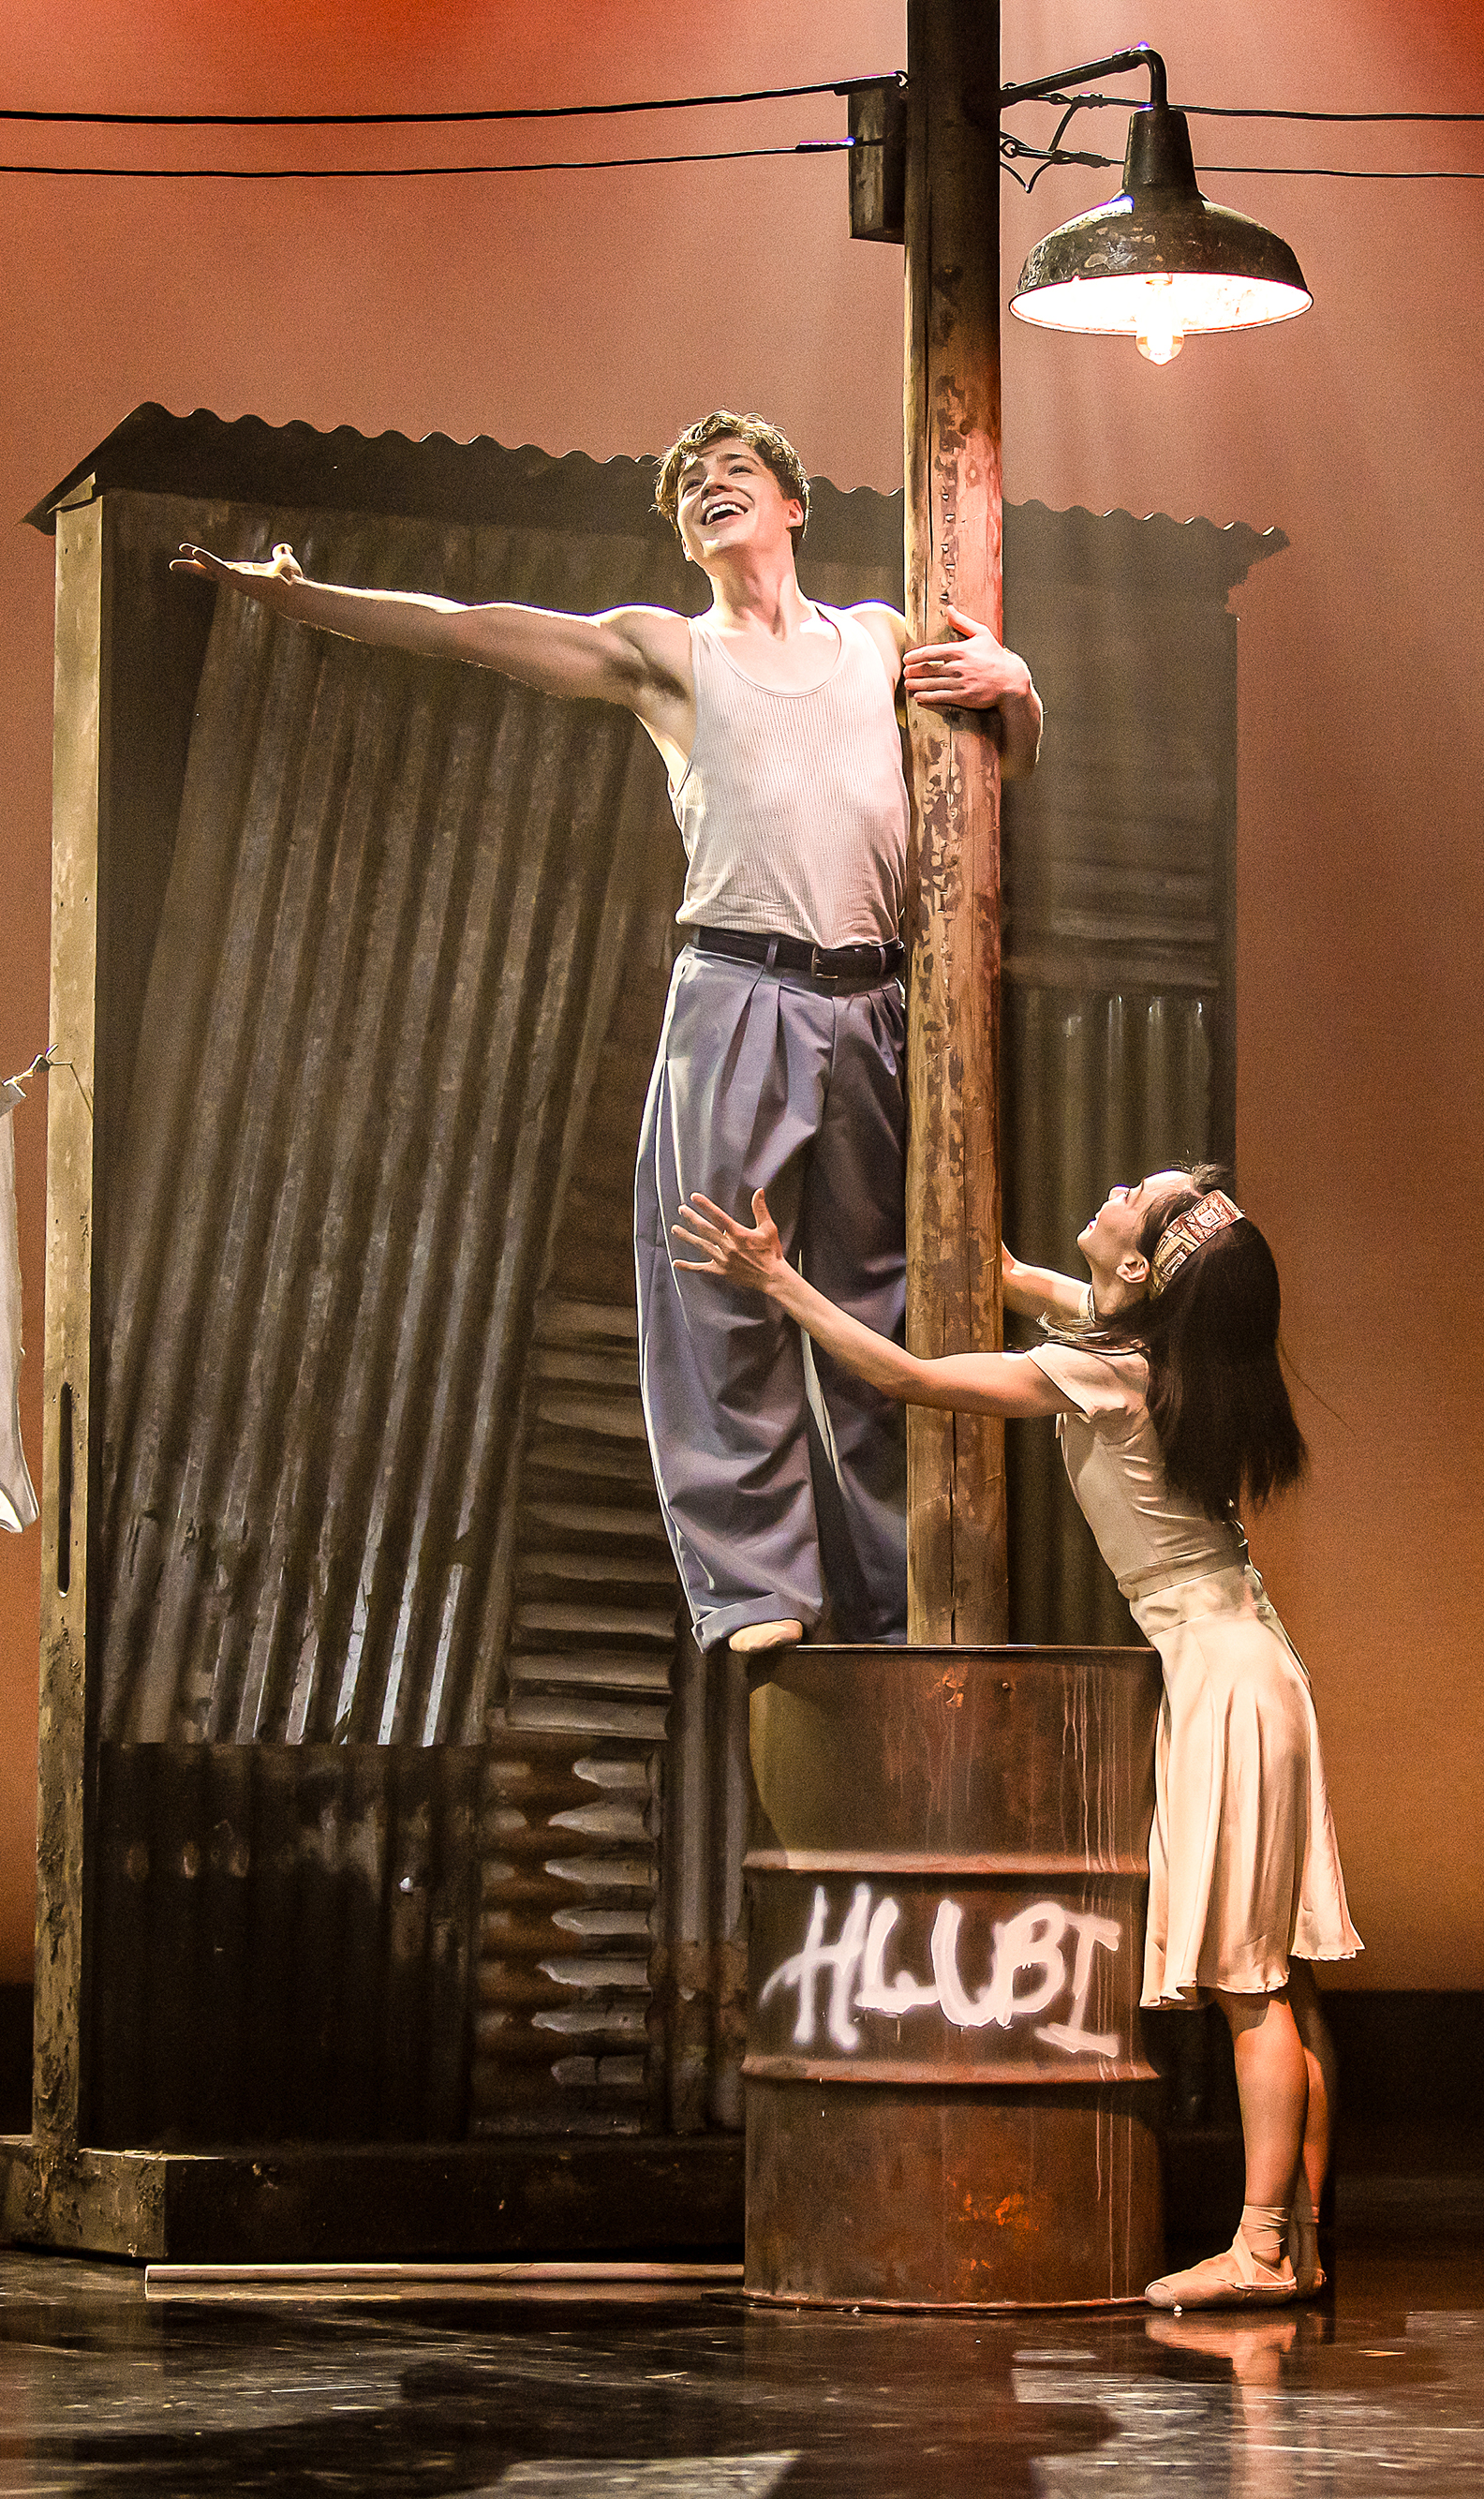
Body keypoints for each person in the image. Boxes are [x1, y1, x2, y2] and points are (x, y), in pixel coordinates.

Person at [172, 413, 1041, 1655]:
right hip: (740, 990)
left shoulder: (878, 639)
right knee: (714, 1284)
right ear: (687, 535)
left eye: (735, 472)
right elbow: (475, 628)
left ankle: (900, 1596)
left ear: (795, 506)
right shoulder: (670, 651)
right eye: (691, 485)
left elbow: (1009, 758)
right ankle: (753, 1588)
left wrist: (1021, 683)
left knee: (876, 1301)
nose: (710, 488)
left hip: (879, 1000)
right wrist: (307, 600)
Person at [672, 1163, 1358, 2310]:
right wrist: (977, 1263)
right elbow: (1047, 1292)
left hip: (1224, 1685)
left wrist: (777, 1279)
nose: (1112, 1188)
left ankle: (1264, 2250)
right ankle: (1302, 2239)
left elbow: (903, 1376)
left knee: (1252, 1992)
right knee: (1283, 1988)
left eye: (1131, 1199)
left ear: (1140, 1271)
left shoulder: (1105, 1372)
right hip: (1255, 1670)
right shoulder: (1148, 1354)